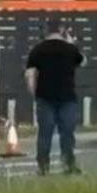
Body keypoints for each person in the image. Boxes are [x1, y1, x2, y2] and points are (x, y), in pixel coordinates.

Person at [26, 20, 85, 175]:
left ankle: (43, 167)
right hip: (67, 97)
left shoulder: (37, 50)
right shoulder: (70, 49)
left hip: (45, 97)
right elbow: (83, 61)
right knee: (67, 133)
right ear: (61, 30)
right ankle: (68, 165)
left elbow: (30, 74)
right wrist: (71, 41)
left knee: (45, 133)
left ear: (46, 31)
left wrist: (35, 92)